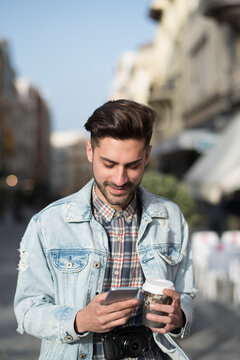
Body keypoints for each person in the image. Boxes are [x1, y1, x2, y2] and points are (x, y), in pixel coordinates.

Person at [14, 99, 195, 360]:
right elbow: (27, 309)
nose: (120, 179)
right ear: (90, 151)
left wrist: (179, 317)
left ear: (147, 156)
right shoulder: (48, 224)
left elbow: (186, 293)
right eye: (108, 164)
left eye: (132, 165)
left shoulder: (170, 218)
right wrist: (79, 320)